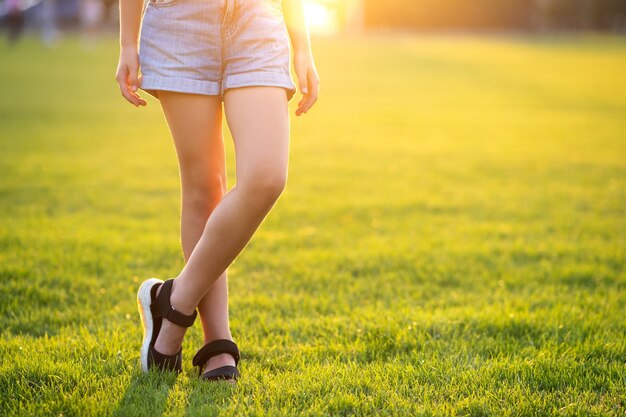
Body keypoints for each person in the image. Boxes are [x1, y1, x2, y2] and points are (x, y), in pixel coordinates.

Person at [115, 0, 319, 382]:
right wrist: (128, 41)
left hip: (257, 20)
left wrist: (303, 44)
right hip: (181, 20)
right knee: (203, 187)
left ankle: (172, 304)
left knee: (266, 176)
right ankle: (215, 341)